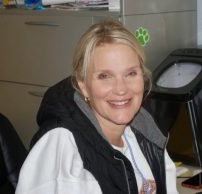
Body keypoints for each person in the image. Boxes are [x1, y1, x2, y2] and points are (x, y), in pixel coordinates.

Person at [15, 19, 178, 194]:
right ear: (83, 85)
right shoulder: (62, 146)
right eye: (105, 76)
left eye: (131, 73)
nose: (121, 89)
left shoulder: (146, 130)